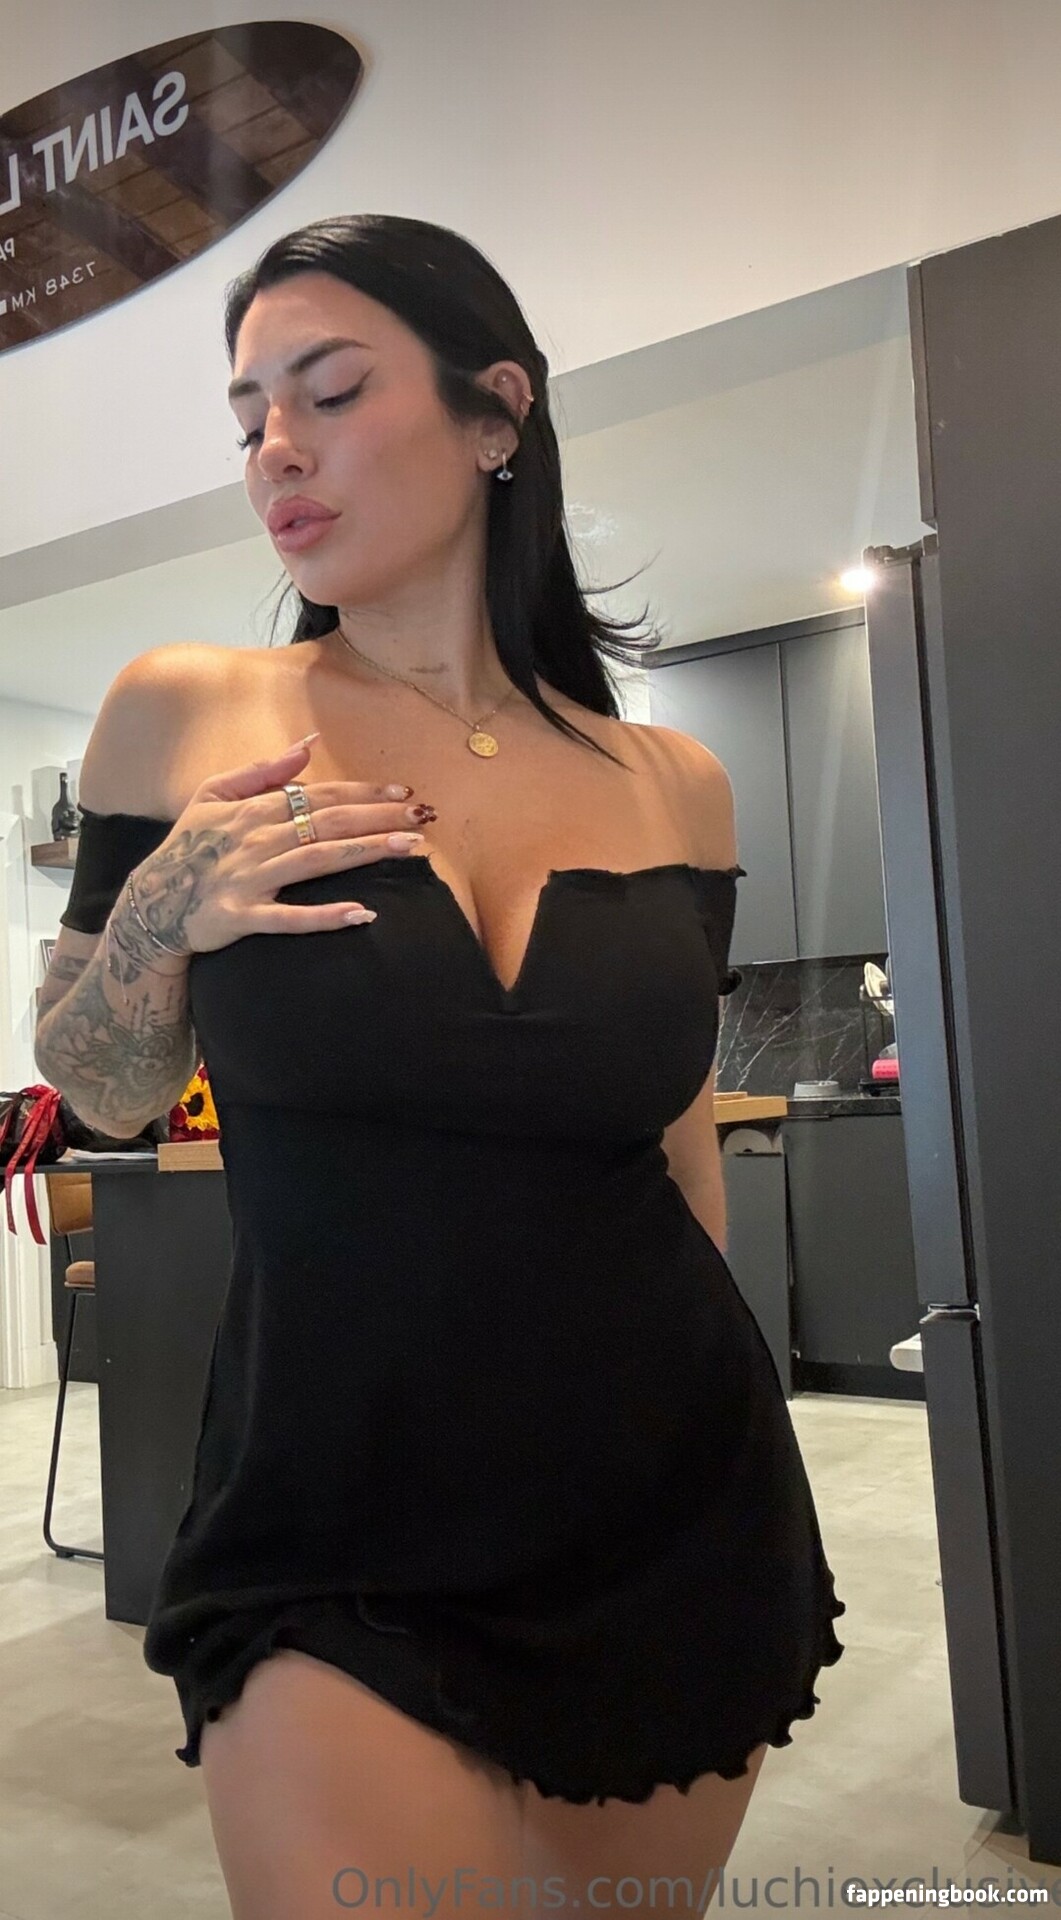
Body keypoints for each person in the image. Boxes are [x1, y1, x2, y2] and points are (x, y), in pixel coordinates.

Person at [39, 214, 845, 1919]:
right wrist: (164, 911)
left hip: (669, 1498)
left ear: (496, 414)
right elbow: (97, 1089)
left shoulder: (674, 785)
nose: (275, 448)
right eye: (249, 413)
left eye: (328, 392)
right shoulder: (189, 713)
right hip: (328, 1508)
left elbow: (677, 1149)